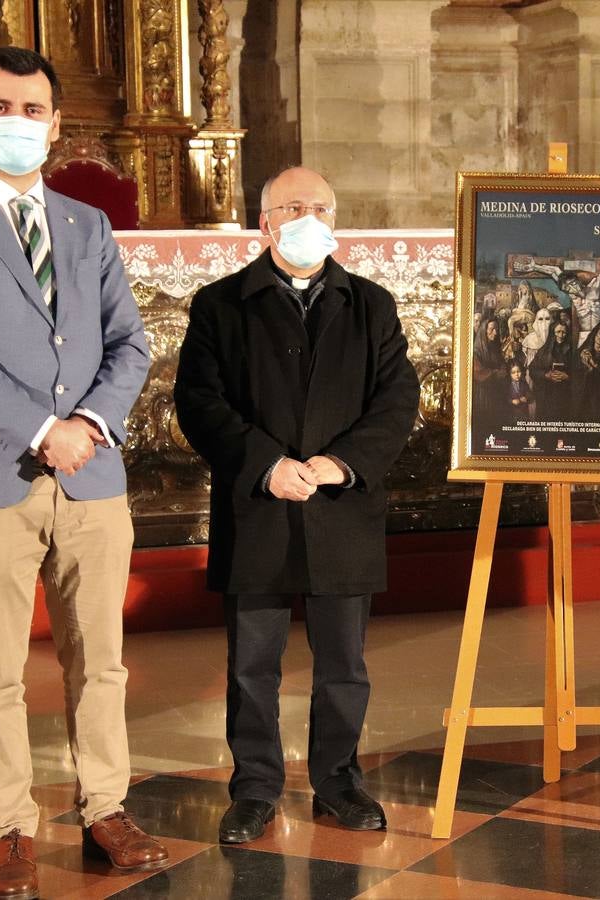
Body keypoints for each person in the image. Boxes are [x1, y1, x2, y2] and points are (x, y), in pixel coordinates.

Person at [0, 46, 165, 899]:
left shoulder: (87, 225)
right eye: (1, 106)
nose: (19, 122)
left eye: (34, 110)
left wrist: (85, 423)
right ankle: (10, 826)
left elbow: (131, 341)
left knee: (102, 659)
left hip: (90, 474)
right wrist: (44, 427)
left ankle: (106, 807)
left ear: (55, 123)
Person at [173, 166, 419, 846]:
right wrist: (264, 465)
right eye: (291, 207)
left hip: (342, 507)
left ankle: (339, 780)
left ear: (334, 221)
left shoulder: (373, 304)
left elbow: (397, 401)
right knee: (253, 663)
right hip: (259, 504)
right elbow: (199, 401)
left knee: (344, 663)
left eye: (318, 207)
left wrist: (341, 463)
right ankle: (254, 788)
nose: (305, 217)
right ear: (265, 223)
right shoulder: (221, 304)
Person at [529, 318, 576, 422]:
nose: (561, 335)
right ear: (552, 333)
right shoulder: (544, 351)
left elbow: (579, 371)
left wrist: (568, 376)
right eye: (558, 331)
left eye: (564, 332)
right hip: (547, 395)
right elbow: (532, 369)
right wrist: (546, 375)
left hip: (565, 395)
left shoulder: (572, 351)